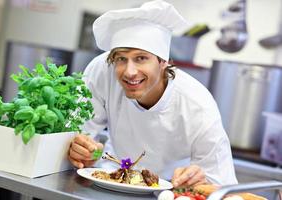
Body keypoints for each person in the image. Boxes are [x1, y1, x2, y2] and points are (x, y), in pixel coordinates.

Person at [68, 0, 238, 187]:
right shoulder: (102, 71)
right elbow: (75, 133)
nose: (129, 71)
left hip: (169, 191)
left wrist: (199, 178)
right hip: (109, 180)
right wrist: (82, 151)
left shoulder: (197, 105)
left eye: (141, 58)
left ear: (164, 62)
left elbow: (221, 183)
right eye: (121, 59)